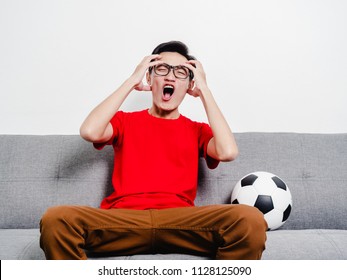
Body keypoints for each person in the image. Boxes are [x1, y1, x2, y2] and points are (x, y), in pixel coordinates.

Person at [40, 41, 267, 260]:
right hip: (124, 220)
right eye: (162, 69)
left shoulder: (197, 130)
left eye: (180, 72)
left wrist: (205, 90)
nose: (170, 76)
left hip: (180, 221)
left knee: (250, 219)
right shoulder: (124, 122)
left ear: (189, 85)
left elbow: (228, 152)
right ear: (149, 77)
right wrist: (131, 80)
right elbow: (89, 130)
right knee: (56, 219)